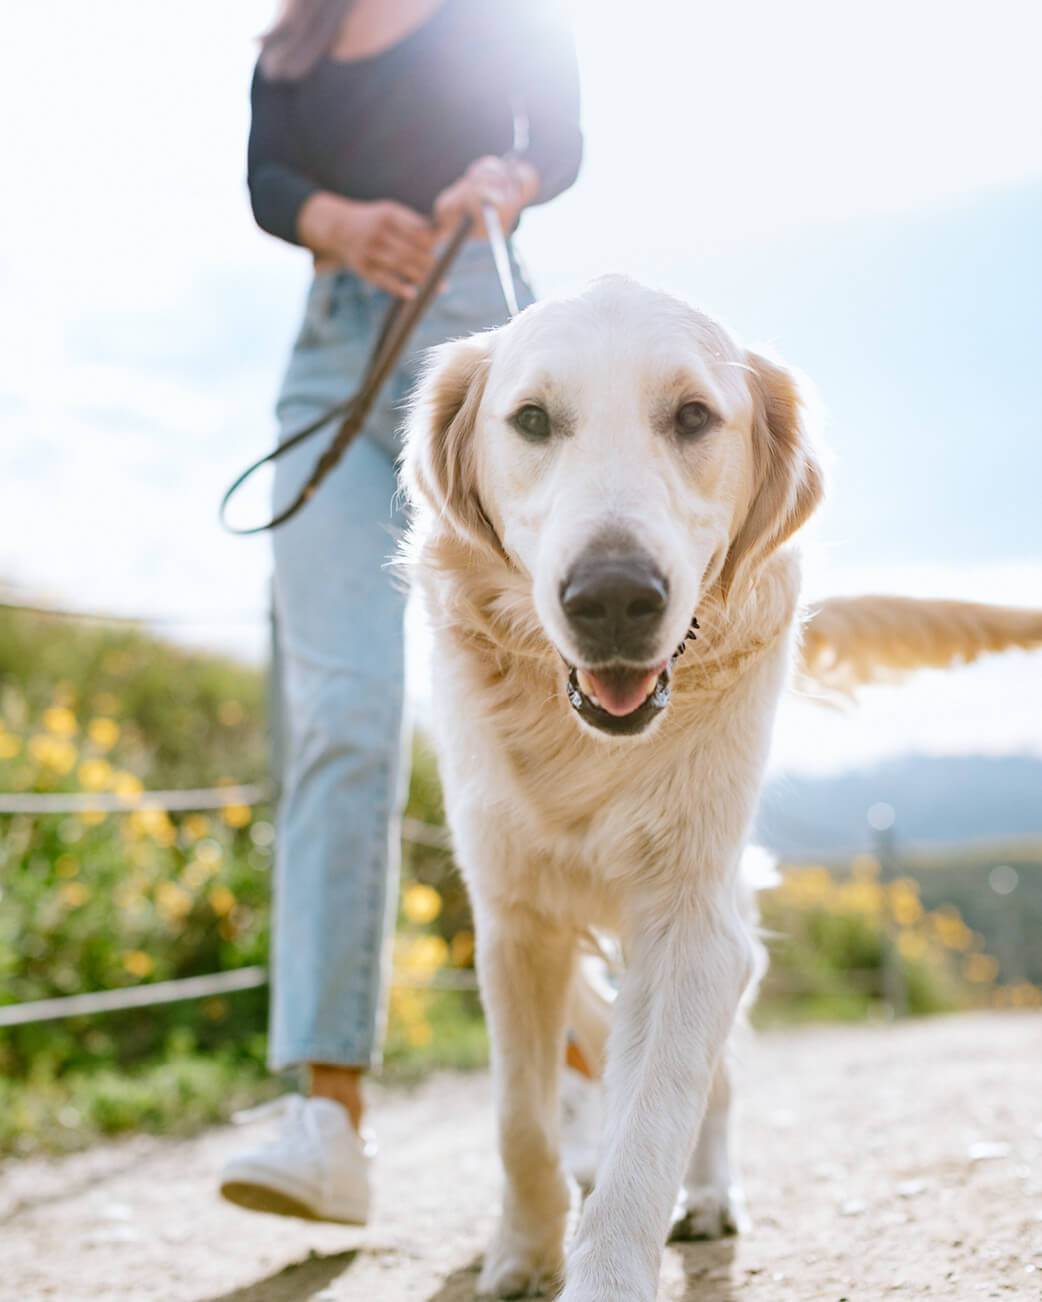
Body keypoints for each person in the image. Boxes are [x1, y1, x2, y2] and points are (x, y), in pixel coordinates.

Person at [219, 0, 583, 1225]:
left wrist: (511, 174)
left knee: (535, 695)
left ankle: (588, 1058)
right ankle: (328, 1118)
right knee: (345, 710)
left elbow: (563, 138)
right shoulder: (296, 37)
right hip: (329, 355)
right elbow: (270, 179)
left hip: (480, 331)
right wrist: (331, 218)